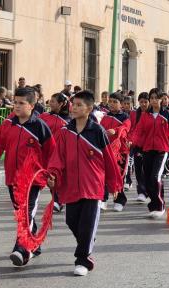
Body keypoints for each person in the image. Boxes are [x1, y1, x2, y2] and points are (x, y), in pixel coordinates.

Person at [47, 90, 122, 276]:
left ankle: (83, 259)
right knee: (71, 221)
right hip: (71, 186)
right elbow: (57, 157)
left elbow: (109, 159)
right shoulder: (65, 132)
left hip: (93, 186)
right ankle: (87, 242)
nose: (74, 107)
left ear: (89, 108)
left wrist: (114, 185)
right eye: (74, 104)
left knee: (87, 224)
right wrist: (53, 174)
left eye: (80, 105)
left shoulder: (97, 131)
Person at [0, 87, 56, 267]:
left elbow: (51, 153)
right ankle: (34, 244)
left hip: (33, 181)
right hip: (12, 179)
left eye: (21, 103)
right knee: (22, 214)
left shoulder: (40, 127)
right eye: (15, 102)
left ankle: (22, 250)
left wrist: (51, 174)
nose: (17, 106)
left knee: (25, 215)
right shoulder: (8, 124)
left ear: (32, 105)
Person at [133, 88, 169, 219]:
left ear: (162, 99)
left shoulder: (168, 115)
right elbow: (139, 131)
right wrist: (134, 143)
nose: (154, 100)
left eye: (156, 98)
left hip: (162, 150)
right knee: (148, 180)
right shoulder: (145, 115)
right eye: (151, 98)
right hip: (147, 150)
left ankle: (160, 206)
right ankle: (153, 205)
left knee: (155, 177)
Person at [39, 93, 71, 212]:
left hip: (61, 153)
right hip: (45, 152)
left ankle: (59, 200)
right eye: (50, 101)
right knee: (49, 177)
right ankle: (58, 199)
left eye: (53, 101)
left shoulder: (68, 121)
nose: (50, 103)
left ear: (61, 104)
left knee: (57, 176)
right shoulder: (43, 116)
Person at [99, 92, 131, 212]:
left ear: (121, 104)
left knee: (119, 176)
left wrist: (116, 131)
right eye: (110, 101)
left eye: (115, 102)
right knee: (105, 175)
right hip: (107, 151)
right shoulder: (105, 117)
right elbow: (100, 130)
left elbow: (125, 129)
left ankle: (120, 200)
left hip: (120, 152)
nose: (111, 104)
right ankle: (103, 199)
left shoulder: (125, 117)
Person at [127, 92, 150, 202]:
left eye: (145, 102)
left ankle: (148, 190)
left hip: (150, 146)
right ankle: (141, 192)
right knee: (138, 169)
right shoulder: (134, 114)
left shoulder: (152, 114)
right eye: (141, 102)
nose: (143, 104)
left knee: (147, 169)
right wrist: (131, 140)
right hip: (137, 145)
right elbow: (131, 129)